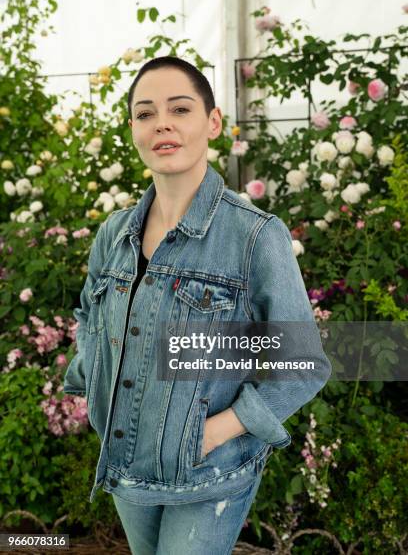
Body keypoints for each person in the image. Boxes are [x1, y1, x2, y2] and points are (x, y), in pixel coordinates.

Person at [63, 55, 332, 554]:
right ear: (133, 130)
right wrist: (97, 390)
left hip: (207, 474)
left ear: (212, 122)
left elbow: (303, 363)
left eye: (179, 109)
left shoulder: (253, 236)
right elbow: (89, 318)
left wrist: (210, 433)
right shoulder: (113, 235)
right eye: (145, 114)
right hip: (126, 464)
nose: (161, 122)